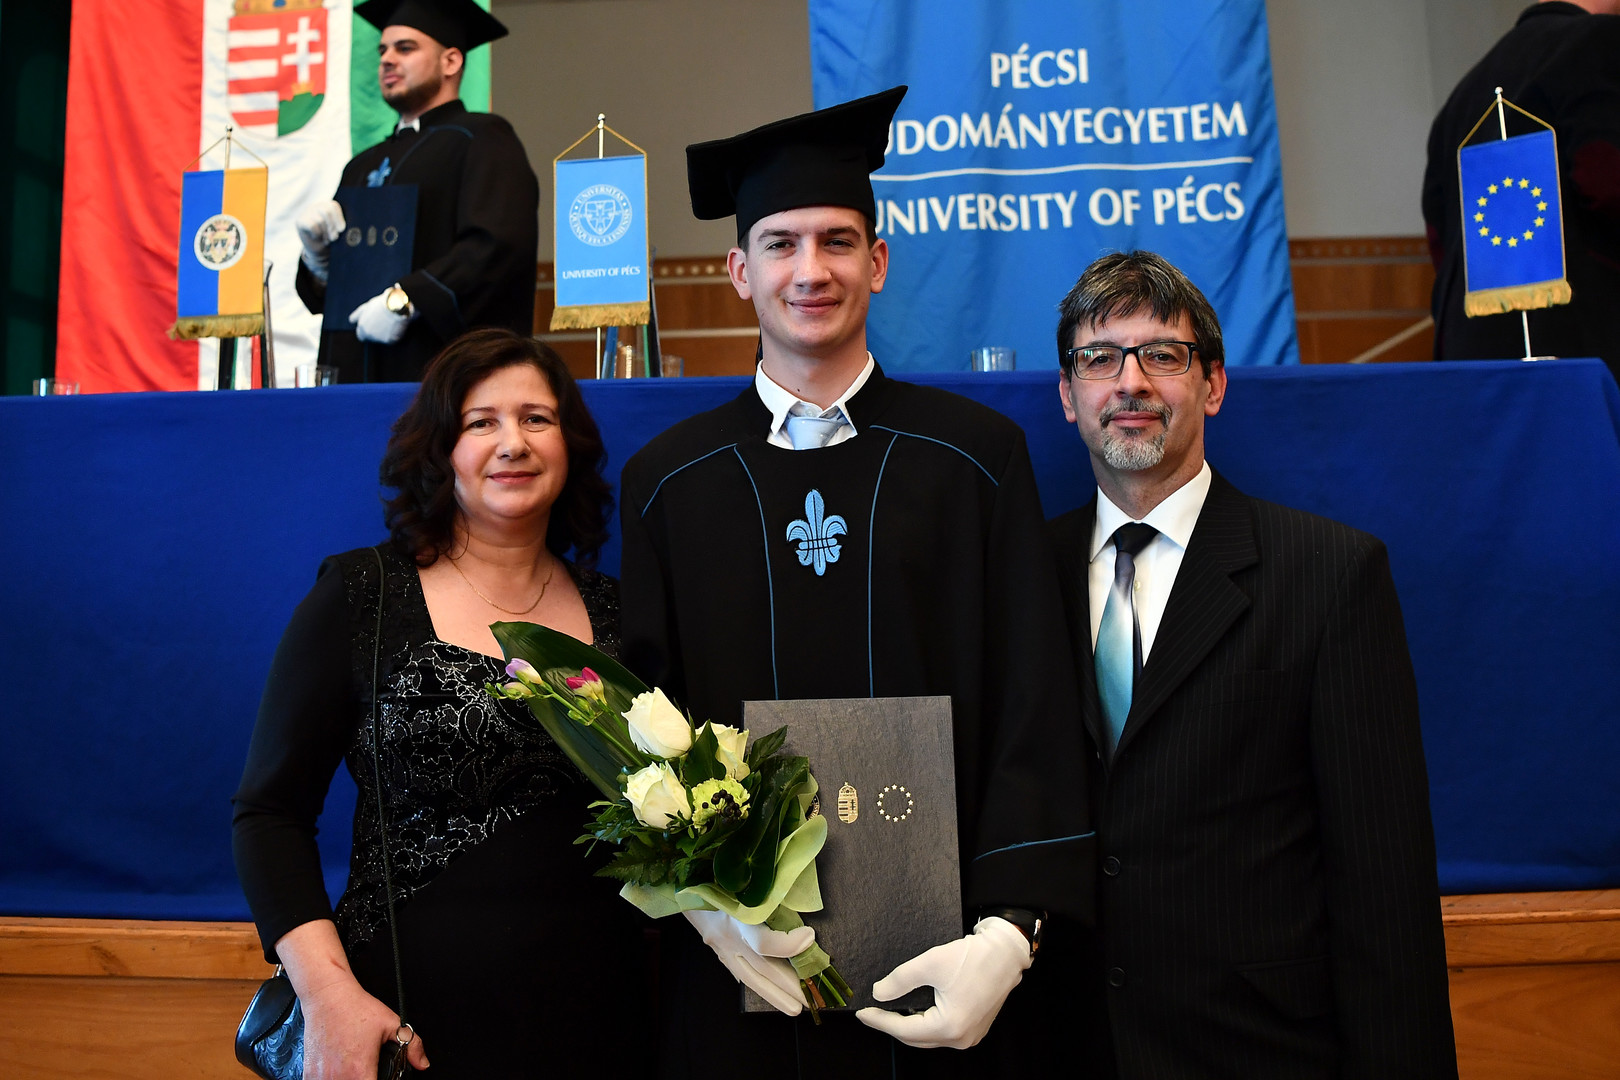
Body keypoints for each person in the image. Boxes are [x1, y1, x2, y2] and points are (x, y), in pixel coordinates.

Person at [617, 87, 1094, 1077]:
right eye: (781, 245)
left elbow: (1035, 702)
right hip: (742, 974)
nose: (811, 270)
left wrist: (1012, 930)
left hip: (951, 966)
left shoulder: (974, 460)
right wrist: (704, 906)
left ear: (877, 261)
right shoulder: (671, 483)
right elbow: (647, 727)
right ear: (739, 271)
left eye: (837, 242)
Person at [1048, 251, 1458, 1078]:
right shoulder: (1023, 573)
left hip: (1258, 1050)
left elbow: (1384, 886)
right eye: (1100, 358)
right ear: (1068, 395)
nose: (1130, 383)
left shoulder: (1329, 576)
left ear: (1214, 385)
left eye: (1162, 355)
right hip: (1066, 1044)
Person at [232, 328, 643, 1078]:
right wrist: (327, 997)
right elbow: (269, 815)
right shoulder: (363, 596)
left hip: (603, 1023)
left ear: (570, 444)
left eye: (537, 418)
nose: (512, 443)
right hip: (404, 1030)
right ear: (441, 449)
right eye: (481, 422)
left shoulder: (622, 616)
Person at [293, 0, 540, 383]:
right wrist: (317, 261)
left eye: (405, 48)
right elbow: (331, 299)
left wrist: (406, 300)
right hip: (352, 374)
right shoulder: (362, 166)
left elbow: (496, 247)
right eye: (383, 50)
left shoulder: (482, 139)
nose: (387, 59)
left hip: (439, 377)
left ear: (450, 62)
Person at [1422, 0, 1620, 383]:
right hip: (1584, 363)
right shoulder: (1602, 43)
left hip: (1474, 367)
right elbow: (1607, 182)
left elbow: (1439, 236)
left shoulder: (1466, 90)